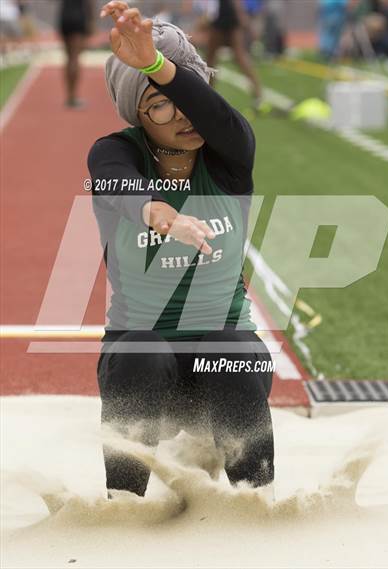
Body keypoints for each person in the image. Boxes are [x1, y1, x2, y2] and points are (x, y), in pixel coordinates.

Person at [88, 1, 275, 500]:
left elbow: (219, 116)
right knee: (141, 350)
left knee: (230, 349)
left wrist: (156, 66)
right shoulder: (115, 151)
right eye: (160, 103)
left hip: (225, 359)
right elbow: (112, 178)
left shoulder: (231, 156)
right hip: (142, 363)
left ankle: (258, 501)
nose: (184, 115)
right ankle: (124, 504)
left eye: (187, 94)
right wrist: (155, 212)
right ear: (136, 113)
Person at [205, 0, 263, 108]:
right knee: (236, 56)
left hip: (224, 13)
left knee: (212, 58)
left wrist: (241, 15)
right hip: (227, 14)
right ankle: (258, 93)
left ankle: (208, 94)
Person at [57, 0, 95, 108]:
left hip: (64, 17)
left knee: (69, 58)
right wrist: (92, 21)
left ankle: (69, 95)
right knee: (75, 58)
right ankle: (72, 97)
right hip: (78, 17)